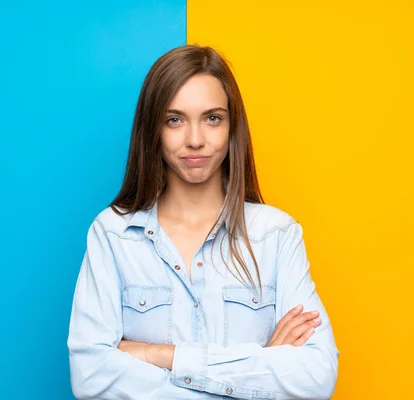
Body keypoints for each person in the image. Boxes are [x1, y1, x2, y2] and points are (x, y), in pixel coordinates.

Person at [67, 45, 339, 399]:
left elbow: (316, 378)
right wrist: (259, 370)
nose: (195, 140)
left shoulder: (276, 235)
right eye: (174, 120)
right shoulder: (113, 234)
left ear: (232, 127)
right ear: (153, 130)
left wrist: (163, 356)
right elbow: (91, 378)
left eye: (212, 118)